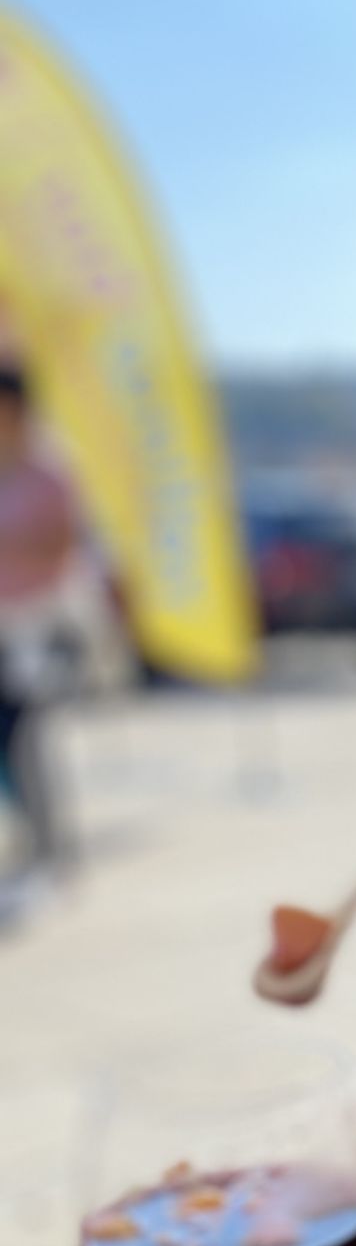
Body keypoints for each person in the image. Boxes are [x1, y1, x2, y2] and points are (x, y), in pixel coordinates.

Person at [0, 360, 79, 878]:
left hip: (39, 623)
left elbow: (65, 545)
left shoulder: (49, 472)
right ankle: (29, 838)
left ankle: (48, 845)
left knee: (26, 737)